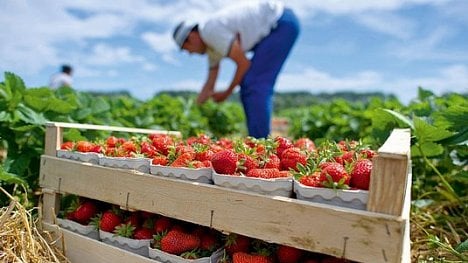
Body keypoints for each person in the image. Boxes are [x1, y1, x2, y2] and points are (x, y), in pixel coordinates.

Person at [173, 0, 300, 138]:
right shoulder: (212, 49)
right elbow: (209, 84)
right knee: (249, 83)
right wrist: (191, 113)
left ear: (191, 37)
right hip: (273, 28)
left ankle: (261, 144)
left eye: (187, 49)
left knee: (254, 83)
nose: (190, 54)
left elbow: (243, 64)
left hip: (280, 23)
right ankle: (258, 140)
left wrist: (226, 93)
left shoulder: (210, 32)